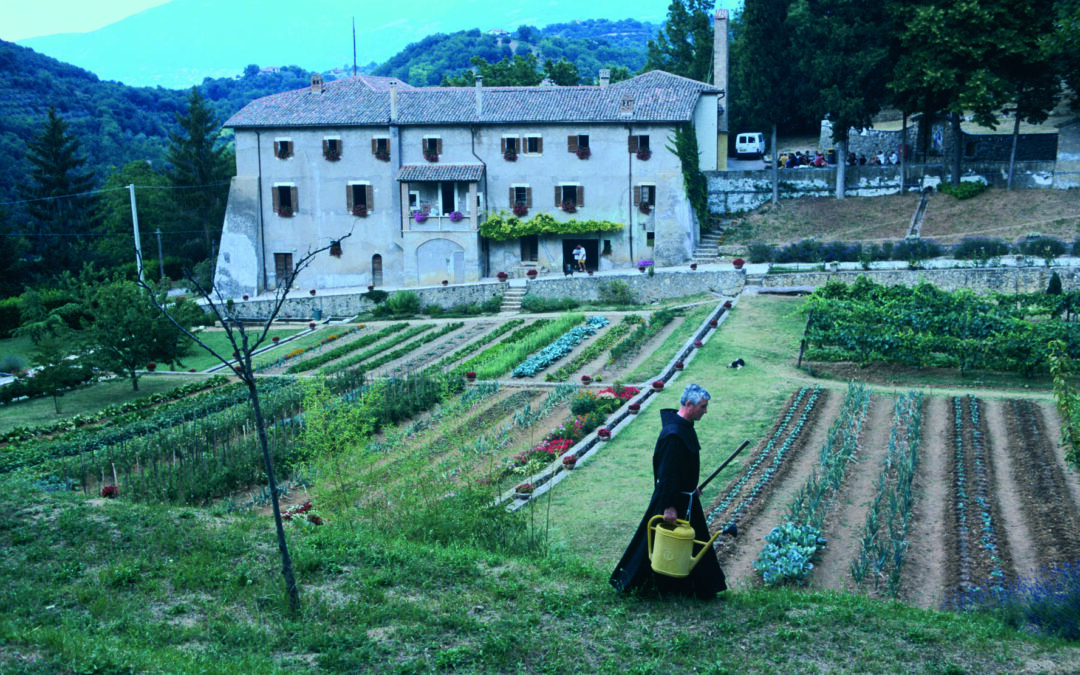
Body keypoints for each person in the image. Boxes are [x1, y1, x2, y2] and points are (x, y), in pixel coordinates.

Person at [609, 384, 728, 599]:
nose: (705, 411)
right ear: (689, 405)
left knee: (687, 541)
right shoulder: (674, 435)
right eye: (702, 406)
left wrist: (692, 486)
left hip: (684, 496)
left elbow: (682, 467)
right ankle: (632, 585)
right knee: (653, 543)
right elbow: (668, 473)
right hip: (673, 500)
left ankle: (692, 589)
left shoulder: (684, 427)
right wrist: (669, 506)